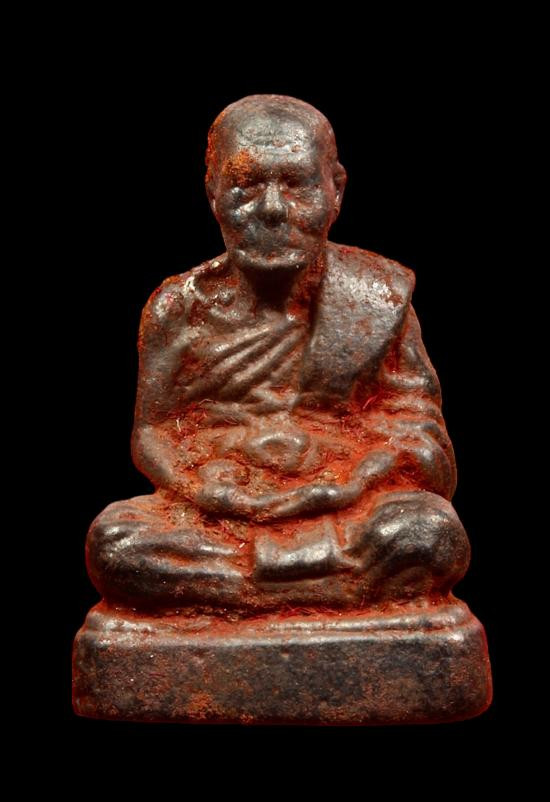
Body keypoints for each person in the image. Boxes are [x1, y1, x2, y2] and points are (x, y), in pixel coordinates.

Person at [86, 94, 470, 613]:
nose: (271, 210)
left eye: (296, 185)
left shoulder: (375, 298)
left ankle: (247, 592)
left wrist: (354, 479)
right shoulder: (178, 309)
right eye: (245, 187)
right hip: (223, 515)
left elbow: (421, 433)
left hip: (343, 510)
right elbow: (152, 433)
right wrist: (203, 490)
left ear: (335, 191)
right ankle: (329, 591)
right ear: (213, 195)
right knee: (116, 542)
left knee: (431, 532)